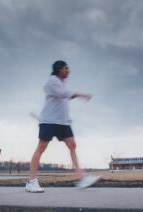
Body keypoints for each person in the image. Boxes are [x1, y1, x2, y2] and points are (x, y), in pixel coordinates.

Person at [25, 60, 100, 193]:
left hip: (63, 122)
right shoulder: (52, 81)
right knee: (41, 148)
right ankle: (31, 182)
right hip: (48, 121)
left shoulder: (62, 84)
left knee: (72, 145)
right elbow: (64, 94)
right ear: (59, 69)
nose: (68, 71)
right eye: (66, 68)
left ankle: (81, 178)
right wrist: (81, 94)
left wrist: (73, 99)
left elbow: (66, 97)